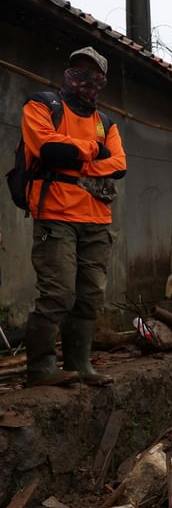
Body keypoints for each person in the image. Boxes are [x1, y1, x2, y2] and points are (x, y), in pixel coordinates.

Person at [21, 46, 127, 387]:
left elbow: (119, 165)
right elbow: (49, 150)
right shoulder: (42, 105)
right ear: (68, 73)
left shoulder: (106, 122)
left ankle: (80, 365)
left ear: (102, 81)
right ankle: (41, 369)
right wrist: (94, 151)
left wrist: (75, 159)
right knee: (58, 294)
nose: (85, 79)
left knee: (90, 296)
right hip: (55, 214)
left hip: (97, 220)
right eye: (79, 71)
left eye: (93, 75)